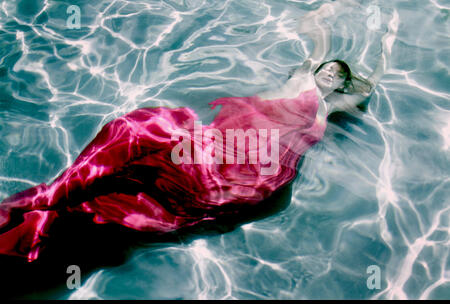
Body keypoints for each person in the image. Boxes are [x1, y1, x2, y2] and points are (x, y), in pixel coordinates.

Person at [0, 2, 398, 262]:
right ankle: (42, 202)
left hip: (257, 167)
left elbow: (372, 84)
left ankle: (37, 230)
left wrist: (386, 47)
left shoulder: (332, 106)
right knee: (141, 133)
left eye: (338, 74)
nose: (330, 72)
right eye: (329, 67)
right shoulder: (301, 75)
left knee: (131, 204)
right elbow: (312, 28)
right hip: (222, 142)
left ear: (343, 83)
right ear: (319, 68)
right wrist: (332, 7)